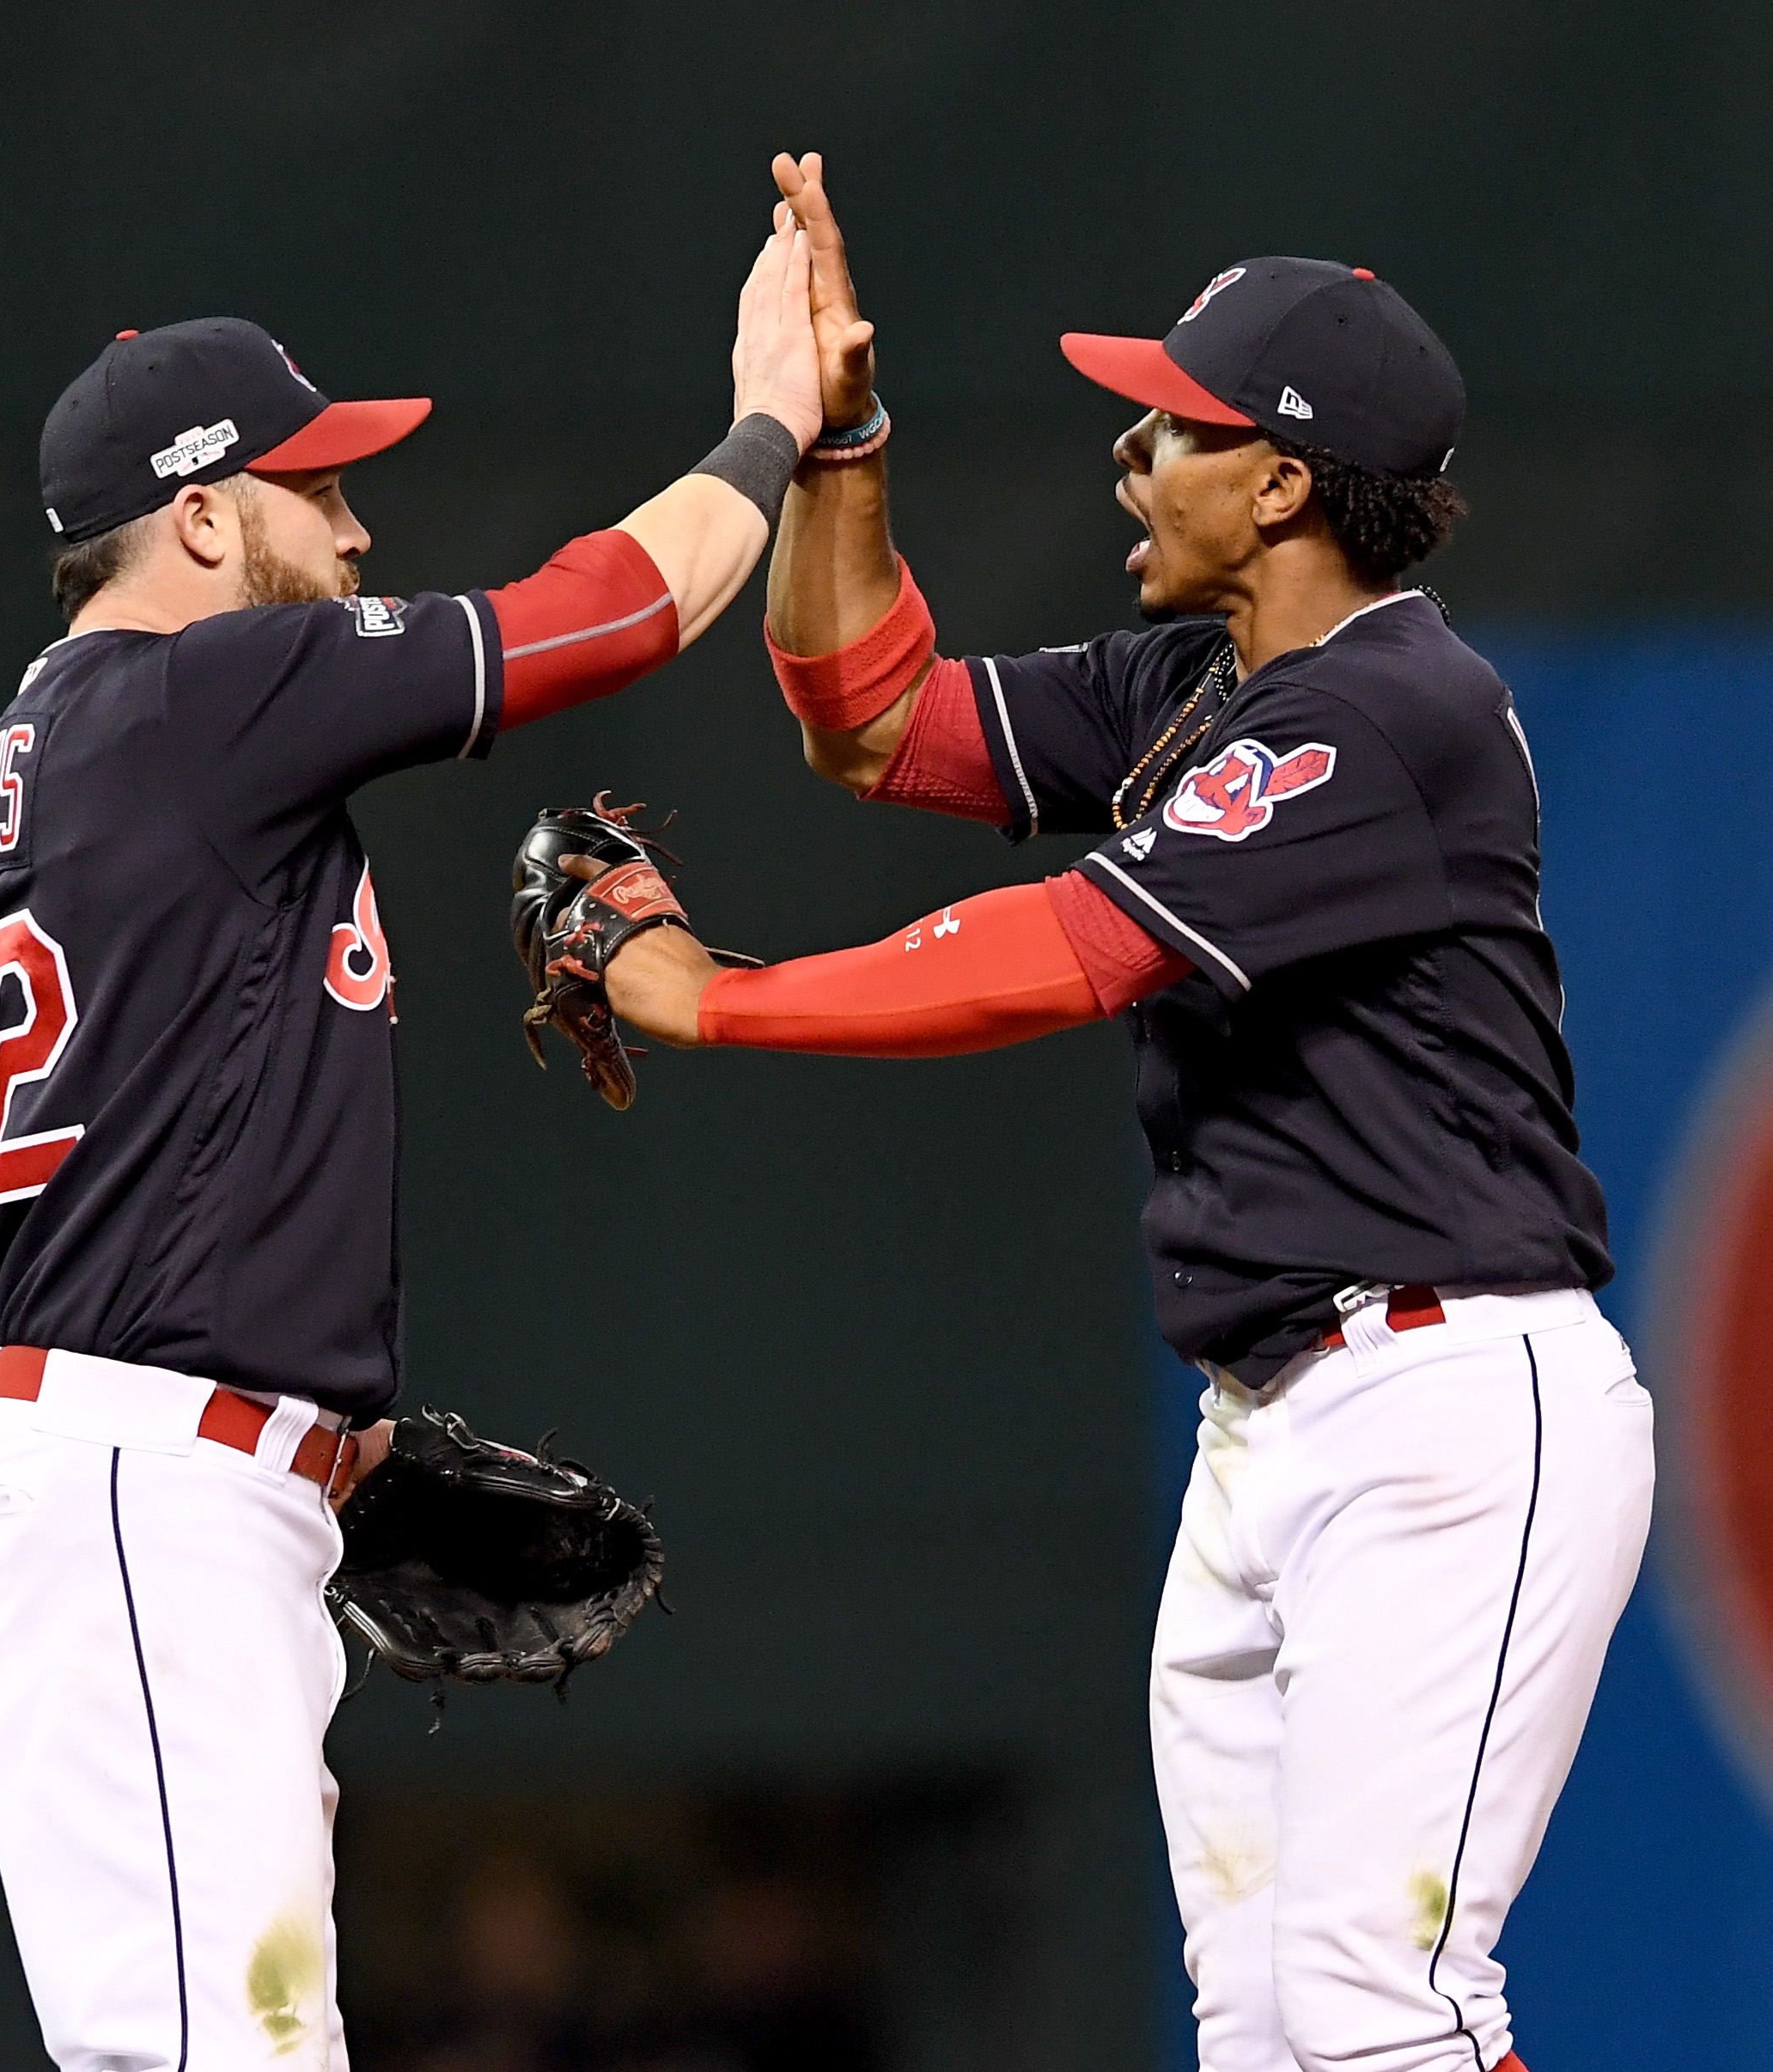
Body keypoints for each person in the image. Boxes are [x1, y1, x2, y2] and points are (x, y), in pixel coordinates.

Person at [566, 155, 1644, 2072]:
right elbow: (866, 718)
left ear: (1287, 482)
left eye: (1173, 423)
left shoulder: (1388, 708)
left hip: (1449, 1410)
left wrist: (720, 998)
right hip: (1270, 1428)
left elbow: (1063, 950)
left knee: (1374, 1996)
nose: (1130, 451)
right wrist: (838, 443)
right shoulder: (1200, 681)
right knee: (1258, 2025)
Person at [0, 225, 826, 2070]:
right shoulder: (191, 695)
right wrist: (769, 426)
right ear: (194, 520)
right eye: (315, 488)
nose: (353, 536)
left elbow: (170, 1153)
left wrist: (328, 1421)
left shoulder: (42, 755)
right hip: (141, 1499)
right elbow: (612, 611)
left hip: (159, 1481)